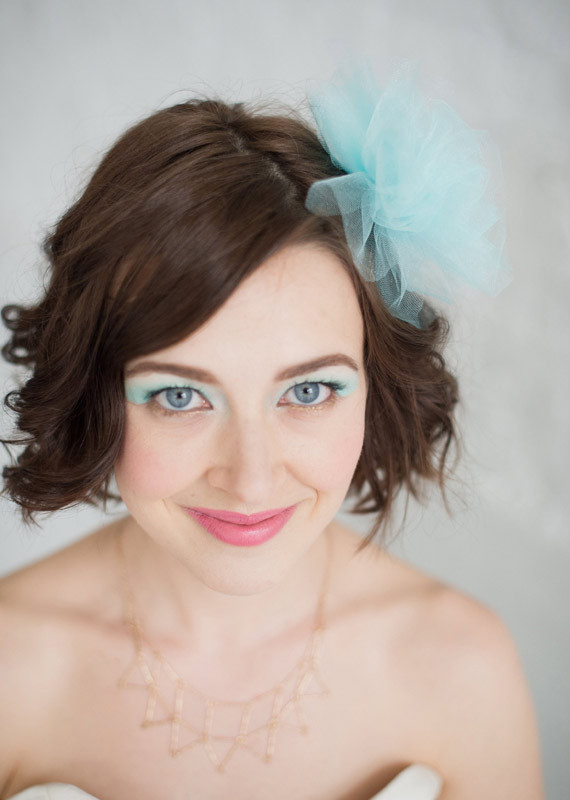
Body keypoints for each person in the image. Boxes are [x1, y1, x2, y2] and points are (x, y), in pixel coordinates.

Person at [0, 62, 544, 799]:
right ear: (95, 391)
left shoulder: (462, 666)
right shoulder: (10, 666)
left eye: (308, 391)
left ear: (373, 388)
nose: (251, 479)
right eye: (181, 397)